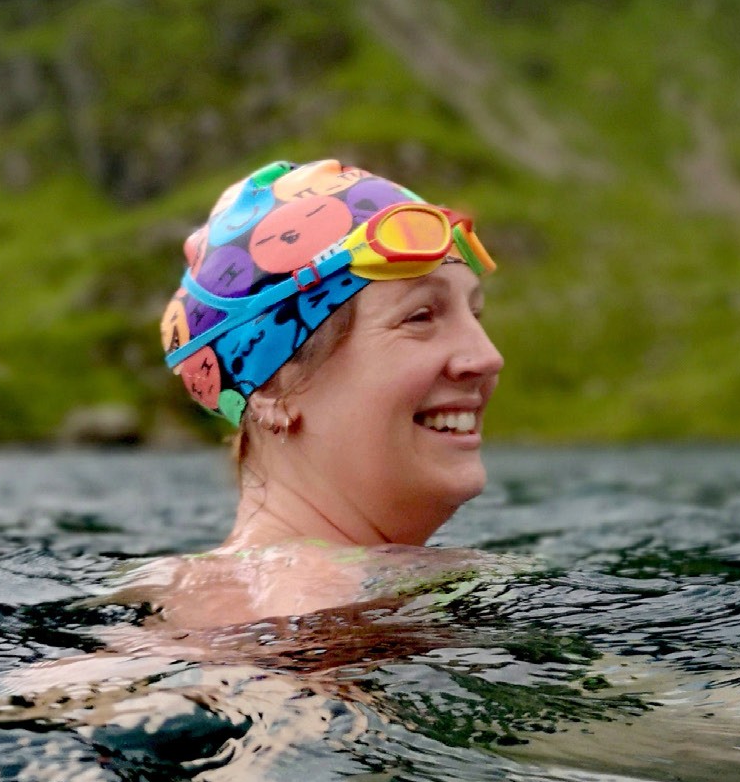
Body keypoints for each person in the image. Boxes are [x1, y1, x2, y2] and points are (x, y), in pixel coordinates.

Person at [153, 156, 505, 624]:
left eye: (474, 315)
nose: (487, 357)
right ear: (275, 387)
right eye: (420, 317)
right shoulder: (310, 601)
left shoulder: (198, 587)